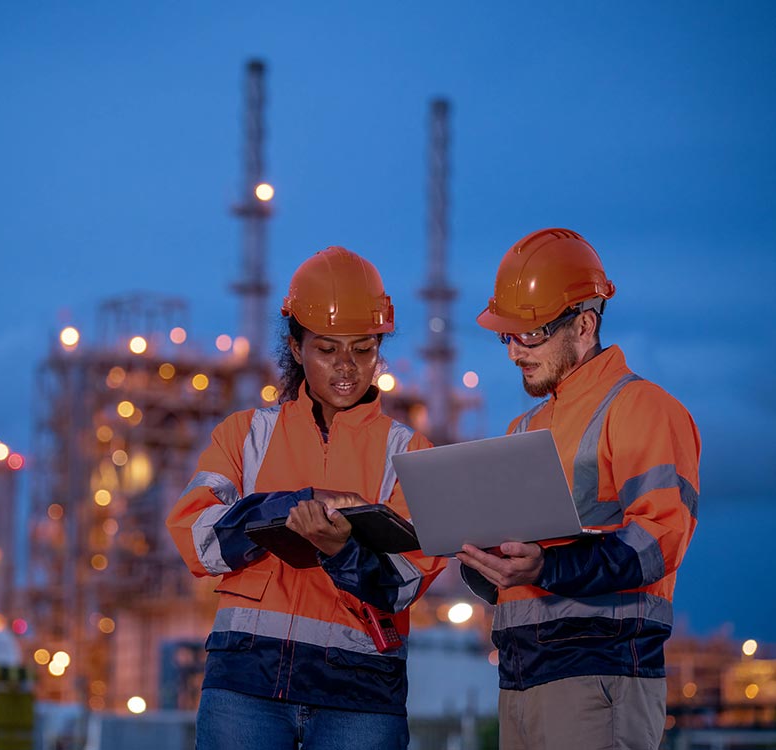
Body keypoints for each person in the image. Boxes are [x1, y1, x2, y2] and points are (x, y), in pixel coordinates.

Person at [166, 246, 447, 750]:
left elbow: (408, 579)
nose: (347, 367)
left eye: (363, 349)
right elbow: (196, 538)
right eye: (327, 349)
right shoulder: (244, 435)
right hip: (246, 685)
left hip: (359, 692)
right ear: (296, 346)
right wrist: (291, 507)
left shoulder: (410, 451)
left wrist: (343, 550)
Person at [456, 228, 700, 750]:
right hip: (521, 679)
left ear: (584, 324)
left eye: (531, 335)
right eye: (508, 336)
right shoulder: (522, 430)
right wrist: (487, 559)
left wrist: (548, 566)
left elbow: (661, 539)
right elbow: (520, 566)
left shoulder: (640, 409)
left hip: (600, 677)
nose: (514, 352)